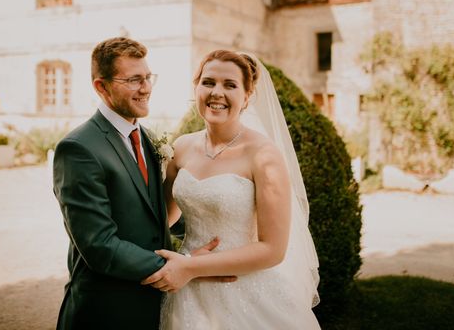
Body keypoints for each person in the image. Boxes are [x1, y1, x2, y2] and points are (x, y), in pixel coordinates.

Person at [53, 37, 223, 329]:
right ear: (101, 87)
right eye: (133, 80)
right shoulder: (79, 148)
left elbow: (153, 217)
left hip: (153, 307)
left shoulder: (146, 138)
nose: (146, 88)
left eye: (147, 77)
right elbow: (99, 245)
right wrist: (180, 268)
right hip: (105, 312)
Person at [142, 50, 321, 329]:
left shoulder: (263, 155)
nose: (217, 92)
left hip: (245, 289)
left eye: (230, 85)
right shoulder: (182, 147)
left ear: (247, 97)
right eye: (208, 82)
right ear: (196, 87)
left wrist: (189, 267)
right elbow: (164, 217)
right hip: (188, 289)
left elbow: (273, 250)